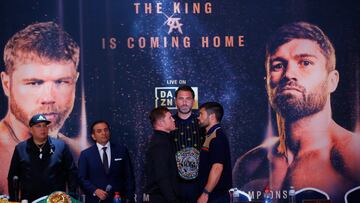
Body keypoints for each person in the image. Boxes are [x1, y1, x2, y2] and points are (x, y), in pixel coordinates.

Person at [232, 22, 360, 202]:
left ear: (332, 81)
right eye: (277, 65)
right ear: (267, 83)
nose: (289, 74)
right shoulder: (249, 164)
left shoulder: (353, 156)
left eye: (305, 62)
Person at [0, 21, 89, 194]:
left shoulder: (77, 151)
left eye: (61, 82)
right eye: (34, 83)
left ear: (75, 80)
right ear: (6, 84)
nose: (49, 98)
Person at [7, 114, 78, 202]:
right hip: (30, 199)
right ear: (31, 129)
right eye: (38, 126)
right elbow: (13, 176)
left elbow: (71, 172)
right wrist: (13, 200)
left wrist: (72, 196)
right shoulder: (20, 148)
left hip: (55, 200)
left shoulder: (61, 146)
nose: (43, 129)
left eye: (45, 125)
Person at [78, 120, 135, 203]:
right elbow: (81, 178)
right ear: (93, 136)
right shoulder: (86, 154)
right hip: (96, 200)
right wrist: (95, 190)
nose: (103, 133)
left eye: (106, 130)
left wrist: (128, 198)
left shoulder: (121, 151)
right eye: (99, 131)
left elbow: (129, 176)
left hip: (119, 199)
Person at [171, 85, 206, 203]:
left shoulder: (201, 123)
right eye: (181, 98)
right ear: (175, 101)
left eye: (188, 99)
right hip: (174, 183)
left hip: (198, 183)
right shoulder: (169, 123)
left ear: (193, 101)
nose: (184, 102)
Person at [197, 102, 232, 203]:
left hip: (216, 197)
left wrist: (205, 193)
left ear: (212, 116)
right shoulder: (211, 135)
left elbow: (217, 168)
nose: (198, 117)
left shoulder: (217, 137)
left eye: (201, 114)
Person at [145, 106, 181, 203]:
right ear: (161, 122)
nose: (173, 119)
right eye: (170, 117)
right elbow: (162, 175)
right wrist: (173, 200)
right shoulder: (160, 143)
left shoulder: (164, 139)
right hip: (161, 198)